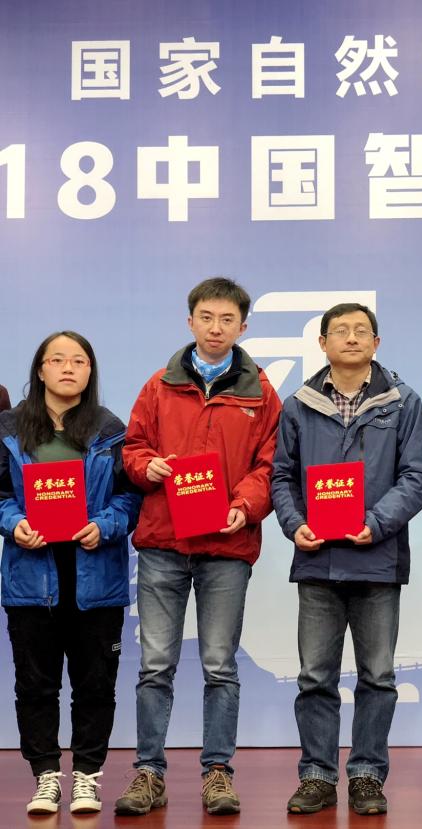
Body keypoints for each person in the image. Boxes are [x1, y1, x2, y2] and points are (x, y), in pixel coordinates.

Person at [115, 277, 282, 816]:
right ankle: (149, 772)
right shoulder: (158, 386)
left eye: (227, 319)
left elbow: (271, 465)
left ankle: (217, 772)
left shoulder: (262, 393)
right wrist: (147, 466)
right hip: (163, 542)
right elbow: (132, 448)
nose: (216, 328)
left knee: (219, 665)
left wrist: (246, 505)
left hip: (227, 546)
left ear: (243, 327)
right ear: (190, 321)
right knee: (155, 665)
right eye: (206, 317)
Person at [272, 303, 422, 816]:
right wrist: (294, 523)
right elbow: (281, 476)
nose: (351, 337)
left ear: (376, 343)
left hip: (377, 560)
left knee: (377, 677)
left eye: (362, 330)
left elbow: (418, 477)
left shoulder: (403, 402)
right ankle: (317, 776)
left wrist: (377, 523)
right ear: (322, 342)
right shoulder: (298, 404)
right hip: (317, 561)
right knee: (315, 677)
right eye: (340, 330)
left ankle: (366, 774)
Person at [0, 332, 140, 814]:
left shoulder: (111, 429)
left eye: (78, 361)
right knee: (35, 685)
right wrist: (13, 523)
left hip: (96, 576)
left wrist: (106, 526)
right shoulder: (9, 428)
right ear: (40, 370)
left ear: (89, 371)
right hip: (30, 576)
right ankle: (45, 777)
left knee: (95, 684)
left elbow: (130, 497)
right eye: (56, 359)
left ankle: (86, 777)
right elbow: (0, 495)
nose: (67, 368)